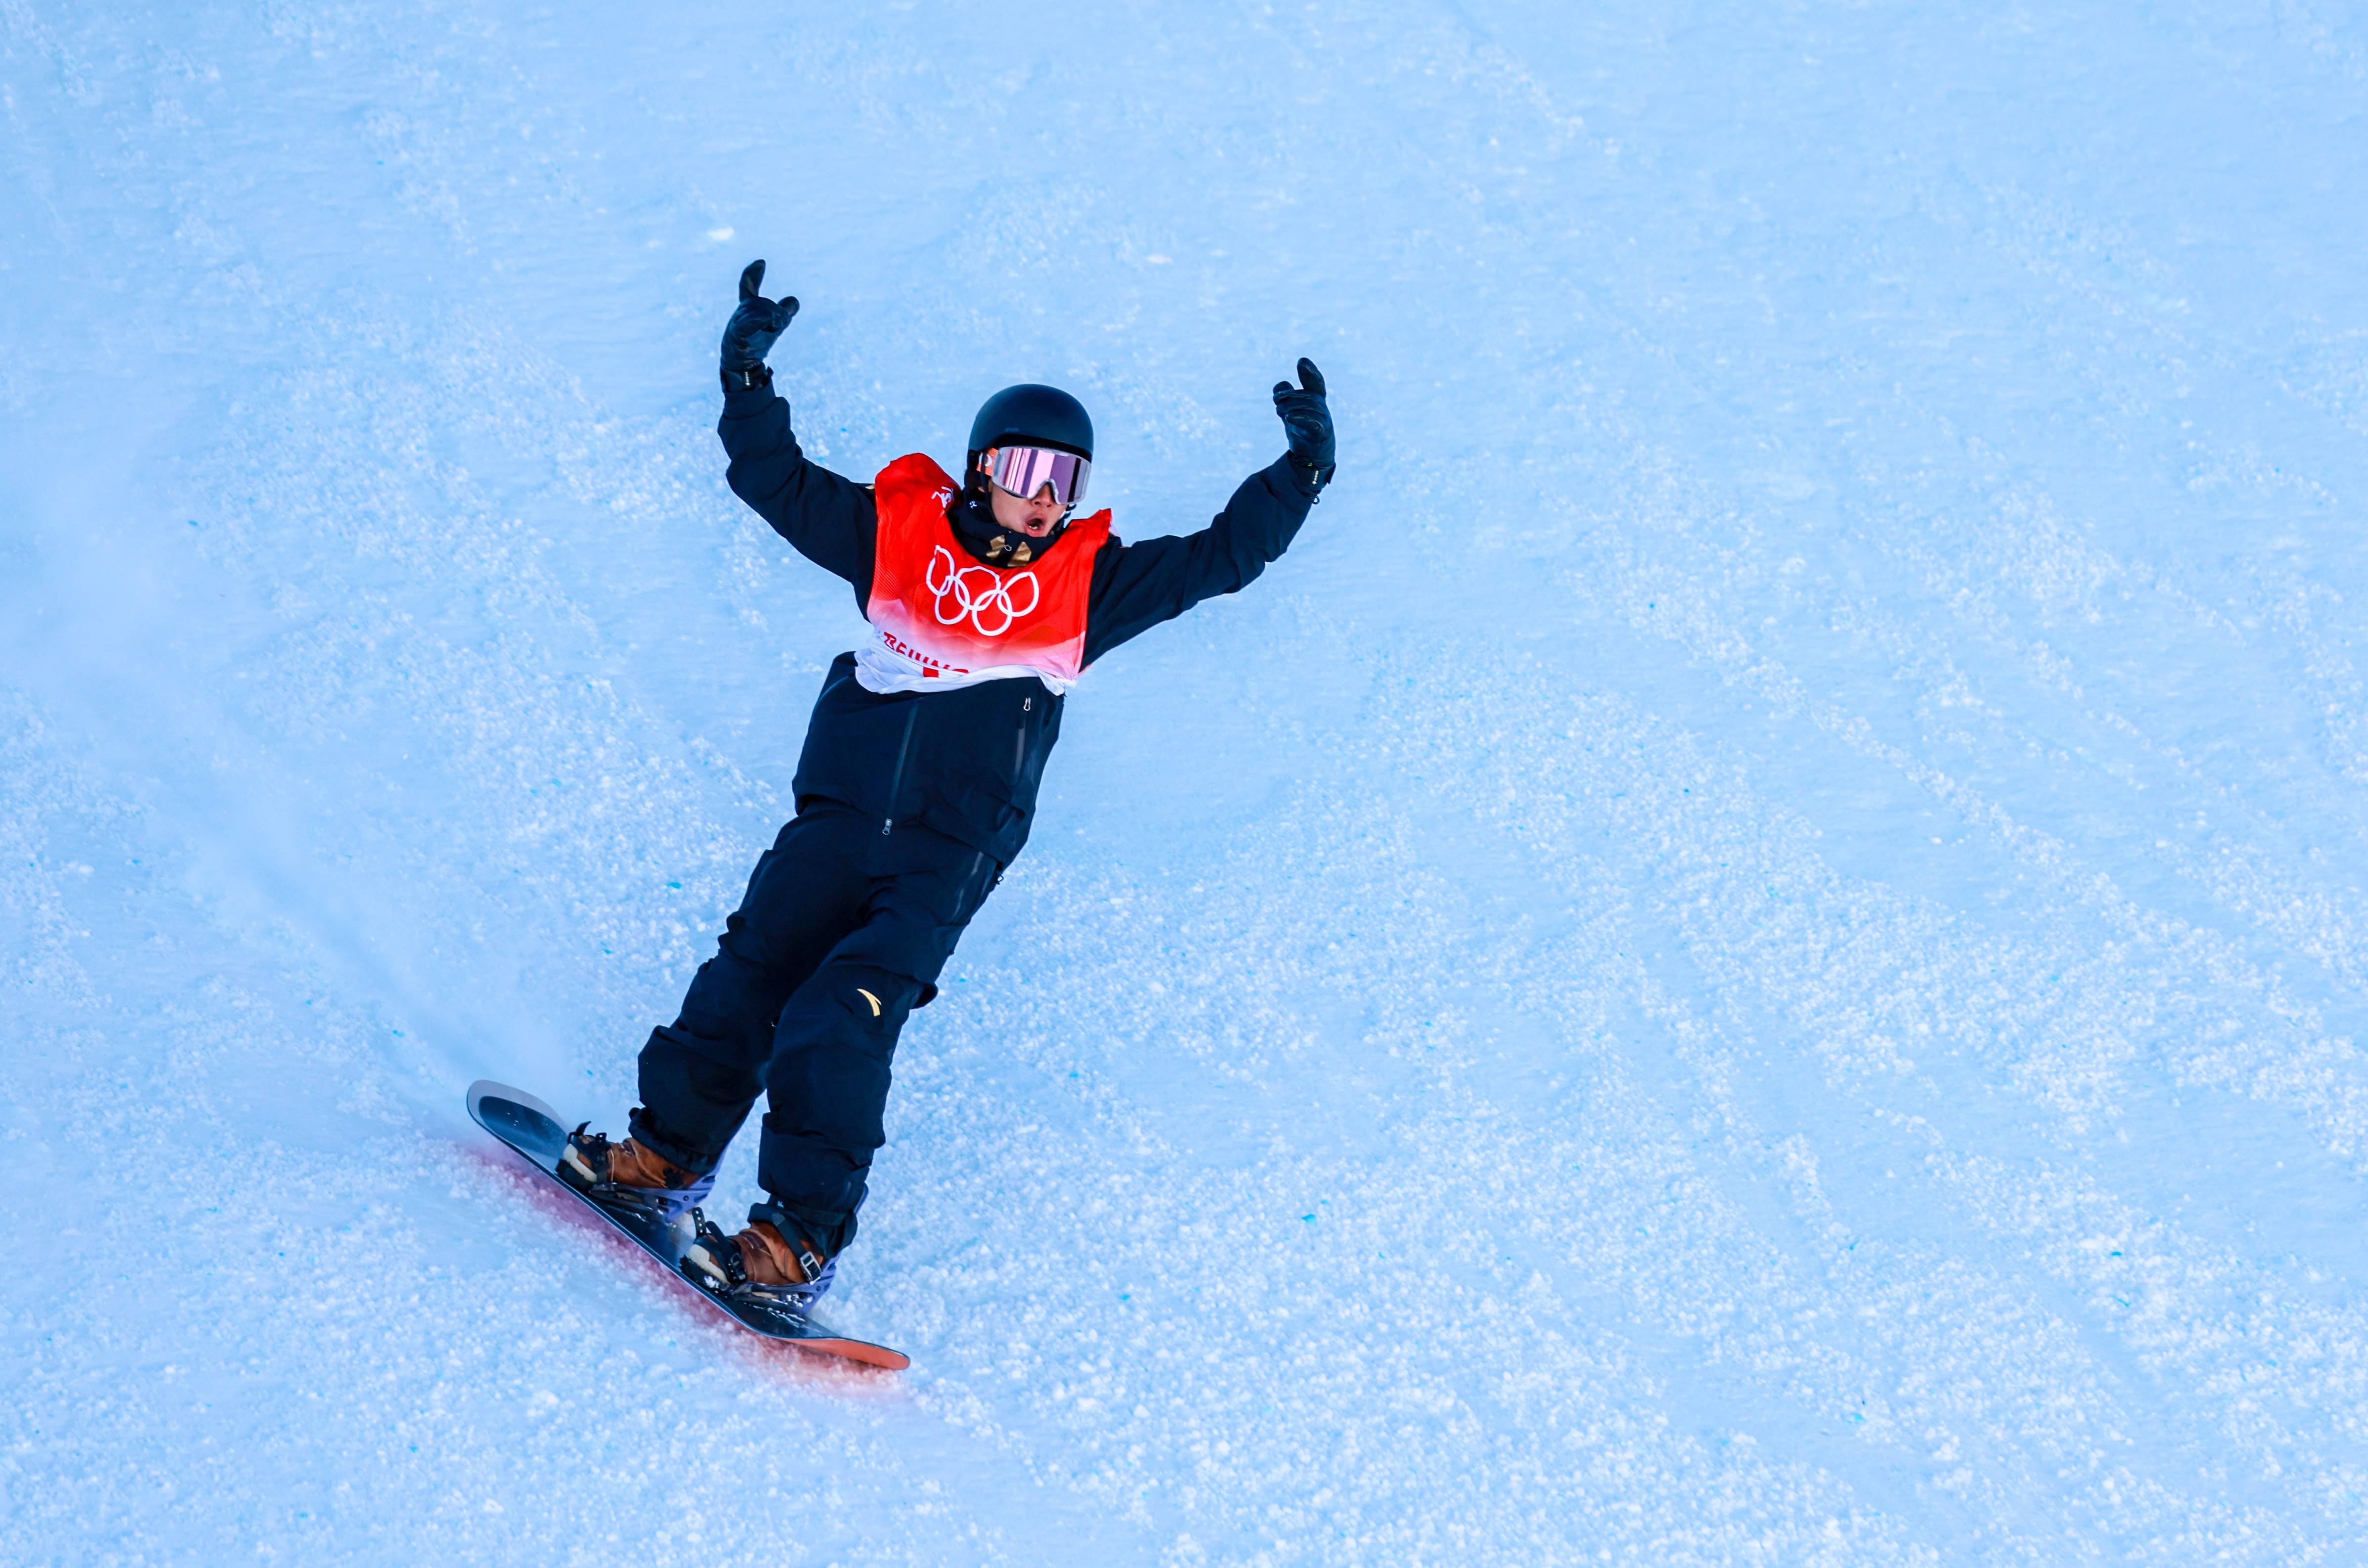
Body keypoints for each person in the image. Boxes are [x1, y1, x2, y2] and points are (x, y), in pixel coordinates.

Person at [558, 260, 1336, 1309]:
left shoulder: (1085, 591)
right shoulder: (899, 540)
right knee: (749, 976)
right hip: (836, 819)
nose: (1041, 499)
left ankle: (795, 1237)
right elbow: (774, 482)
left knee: (842, 1014)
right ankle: (663, 1158)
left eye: (1065, 483)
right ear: (978, 470)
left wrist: (1297, 474)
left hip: (944, 854)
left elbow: (1222, 558)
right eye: (1024, 471)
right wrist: (747, 383)